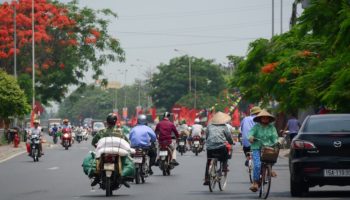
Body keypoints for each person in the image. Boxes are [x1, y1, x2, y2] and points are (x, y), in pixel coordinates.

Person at [91, 113, 131, 187]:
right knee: (127, 160)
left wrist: (98, 147)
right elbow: (127, 143)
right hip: (117, 152)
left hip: (103, 152)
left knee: (96, 160)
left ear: (107, 121)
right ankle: (122, 177)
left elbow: (93, 142)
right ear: (115, 121)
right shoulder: (120, 132)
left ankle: (97, 177)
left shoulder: (101, 131)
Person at [248, 110, 278, 192]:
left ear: (269, 119)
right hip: (257, 147)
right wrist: (251, 137)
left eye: (266, 118)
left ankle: (270, 169)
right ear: (260, 119)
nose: (265, 119)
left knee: (273, 157)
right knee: (257, 165)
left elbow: (274, 137)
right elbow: (251, 133)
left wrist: (277, 142)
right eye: (263, 118)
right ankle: (255, 183)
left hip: (268, 147)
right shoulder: (256, 127)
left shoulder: (272, 128)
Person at [203, 112, 234, 185]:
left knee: (208, 162)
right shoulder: (224, 127)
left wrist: (209, 142)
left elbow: (207, 136)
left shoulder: (209, 126)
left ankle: (207, 178)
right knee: (226, 154)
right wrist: (231, 142)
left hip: (210, 148)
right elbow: (229, 137)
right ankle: (224, 167)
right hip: (221, 148)